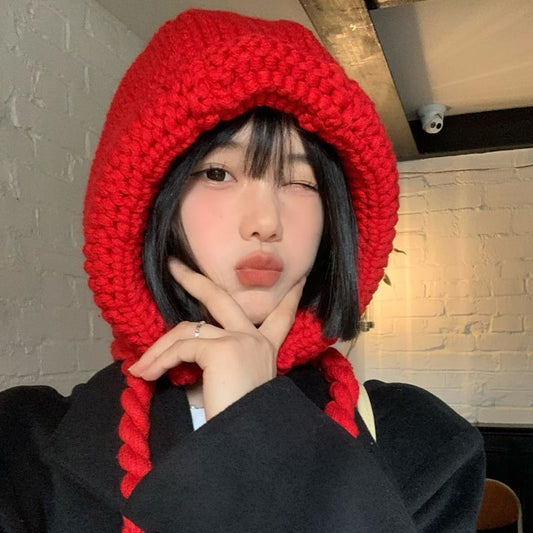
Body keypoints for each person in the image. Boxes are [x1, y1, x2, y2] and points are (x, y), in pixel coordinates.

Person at [0, 9, 485, 533]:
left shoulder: (425, 445)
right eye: (218, 173)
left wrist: (256, 424)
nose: (266, 222)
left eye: (302, 182)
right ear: (147, 201)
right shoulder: (21, 450)